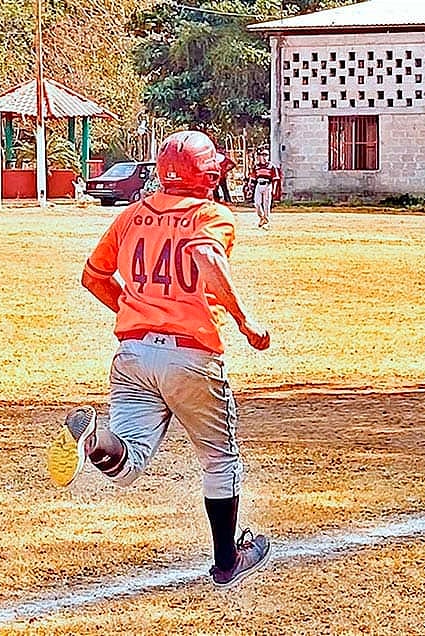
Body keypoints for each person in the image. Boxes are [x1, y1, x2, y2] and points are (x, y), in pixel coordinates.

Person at [47, 130, 272, 587]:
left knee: (126, 462)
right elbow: (207, 258)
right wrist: (245, 322)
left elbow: (93, 277)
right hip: (190, 355)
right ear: (206, 174)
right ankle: (227, 563)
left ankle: (94, 442)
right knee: (220, 459)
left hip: (133, 352)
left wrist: (135, 311)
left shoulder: (132, 215)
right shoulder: (211, 214)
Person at [245, 147, 281, 229]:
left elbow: (275, 179)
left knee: (266, 204)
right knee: (257, 203)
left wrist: (274, 189)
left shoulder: (272, 166)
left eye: (266, 155)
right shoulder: (257, 167)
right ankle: (261, 217)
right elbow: (253, 178)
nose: (264, 157)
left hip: (268, 185)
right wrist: (250, 187)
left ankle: (266, 220)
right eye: (262, 155)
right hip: (259, 184)